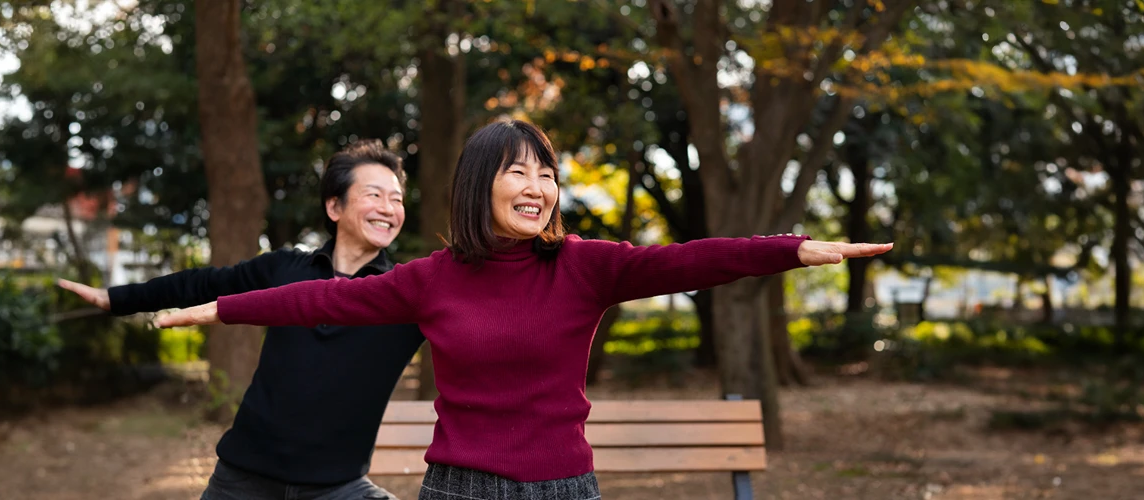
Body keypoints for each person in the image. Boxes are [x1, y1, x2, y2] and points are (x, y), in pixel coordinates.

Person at [154, 118, 893, 500]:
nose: (537, 185)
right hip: (457, 488)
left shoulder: (586, 266)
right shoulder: (431, 278)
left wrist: (789, 249)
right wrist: (222, 308)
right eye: (518, 170)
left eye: (547, 172)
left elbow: (690, 259)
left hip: (564, 487)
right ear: (482, 184)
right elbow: (322, 297)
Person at [58, 140, 419, 500]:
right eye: (374, 195)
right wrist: (115, 298)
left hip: (338, 488)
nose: (388, 209)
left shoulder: (406, 294)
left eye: (397, 199)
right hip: (244, 479)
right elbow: (202, 284)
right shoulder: (285, 268)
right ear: (334, 206)